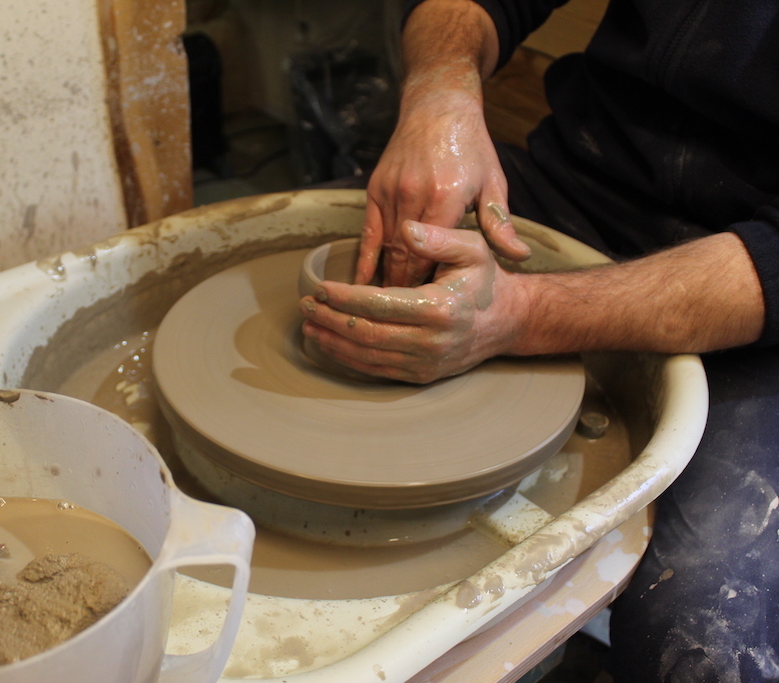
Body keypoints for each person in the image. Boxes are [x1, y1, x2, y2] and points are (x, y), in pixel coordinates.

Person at [299, 0, 779, 680]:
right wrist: (441, 88)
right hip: (583, 183)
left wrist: (522, 317)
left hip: (754, 293)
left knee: (701, 642)